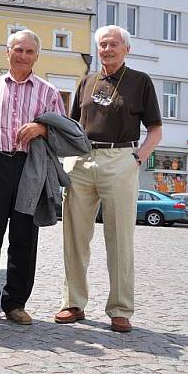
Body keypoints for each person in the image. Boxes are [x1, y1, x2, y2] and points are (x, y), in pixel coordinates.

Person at [56, 25, 162, 333]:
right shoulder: (86, 81)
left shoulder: (140, 82)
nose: (107, 49)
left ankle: (120, 308)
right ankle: (73, 302)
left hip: (120, 159)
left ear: (126, 49)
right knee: (74, 236)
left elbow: (155, 130)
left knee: (119, 238)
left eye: (113, 44)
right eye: (102, 44)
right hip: (82, 158)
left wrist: (138, 158)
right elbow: (72, 124)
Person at [0, 29, 66, 325]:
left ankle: (15, 303)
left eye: (29, 51)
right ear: (8, 52)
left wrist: (42, 129)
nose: (23, 55)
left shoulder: (48, 92)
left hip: (30, 167)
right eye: (18, 49)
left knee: (25, 237)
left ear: (37, 56)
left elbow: (64, 134)